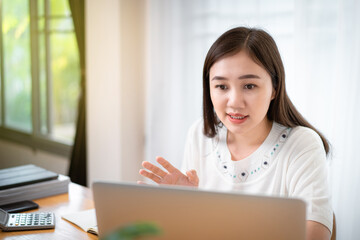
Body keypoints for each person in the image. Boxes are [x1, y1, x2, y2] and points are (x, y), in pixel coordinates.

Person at [139, 27, 333, 239]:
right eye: (221, 86)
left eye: (249, 85)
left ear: (274, 88)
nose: (234, 102)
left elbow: (315, 235)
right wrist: (183, 207)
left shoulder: (302, 144)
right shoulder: (200, 134)